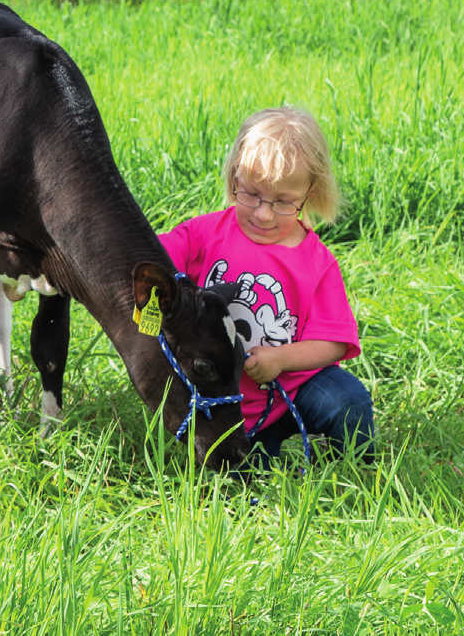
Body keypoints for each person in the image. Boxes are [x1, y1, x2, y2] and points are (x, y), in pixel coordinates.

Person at [159, 107, 374, 463]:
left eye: (283, 202)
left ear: (309, 194)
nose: (263, 213)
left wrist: (281, 359)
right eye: (252, 194)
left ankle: (358, 468)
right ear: (233, 179)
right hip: (222, 399)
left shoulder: (316, 261)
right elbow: (151, 259)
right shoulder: (203, 234)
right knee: (245, 467)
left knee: (346, 400)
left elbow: (335, 342)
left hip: (293, 386)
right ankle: (259, 449)